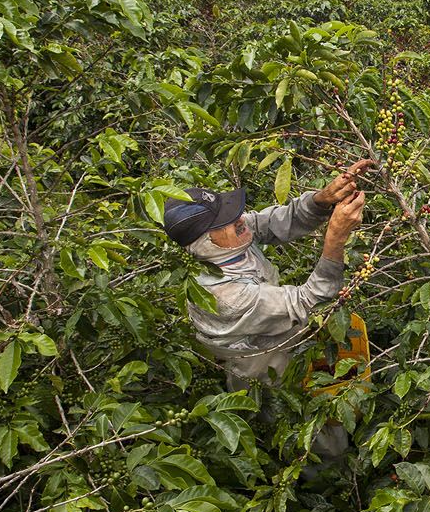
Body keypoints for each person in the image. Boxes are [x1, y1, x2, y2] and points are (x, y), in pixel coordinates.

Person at [161, 159, 377, 400]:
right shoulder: (227, 296)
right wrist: (336, 238)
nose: (241, 219)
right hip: (265, 370)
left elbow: (276, 222)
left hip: (288, 338)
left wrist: (322, 199)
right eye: (227, 222)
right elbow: (311, 301)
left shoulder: (230, 241)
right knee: (306, 415)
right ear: (205, 244)